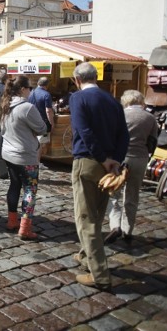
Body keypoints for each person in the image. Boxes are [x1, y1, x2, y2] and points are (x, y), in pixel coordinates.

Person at [70, 62, 129, 291]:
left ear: (77, 80)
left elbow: (83, 131)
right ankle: (86, 255)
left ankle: (100, 275)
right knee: (97, 215)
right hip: (109, 166)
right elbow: (124, 134)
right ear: (97, 77)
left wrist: (103, 158)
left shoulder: (78, 99)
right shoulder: (113, 100)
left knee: (86, 219)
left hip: (88, 162)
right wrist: (114, 161)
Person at [105, 90, 159, 244]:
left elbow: (111, 137)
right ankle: (128, 229)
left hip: (120, 158)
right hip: (140, 158)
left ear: (125, 101)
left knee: (113, 193)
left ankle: (115, 225)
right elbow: (152, 142)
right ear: (140, 101)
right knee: (132, 195)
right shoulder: (150, 118)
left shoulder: (120, 115)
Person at [0, 76, 48, 239]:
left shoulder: (6, 104)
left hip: (8, 153)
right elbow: (42, 128)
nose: (31, 90)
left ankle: (12, 221)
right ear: (22, 89)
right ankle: (25, 227)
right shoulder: (27, 107)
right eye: (29, 87)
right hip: (25, 155)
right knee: (30, 189)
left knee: (14, 185)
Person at [28, 77, 55, 168]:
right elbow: (48, 111)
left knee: (33, 142)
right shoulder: (46, 94)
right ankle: (37, 162)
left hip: (31, 120)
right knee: (40, 143)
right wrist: (52, 123)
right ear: (47, 85)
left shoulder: (31, 93)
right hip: (42, 121)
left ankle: (31, 160)